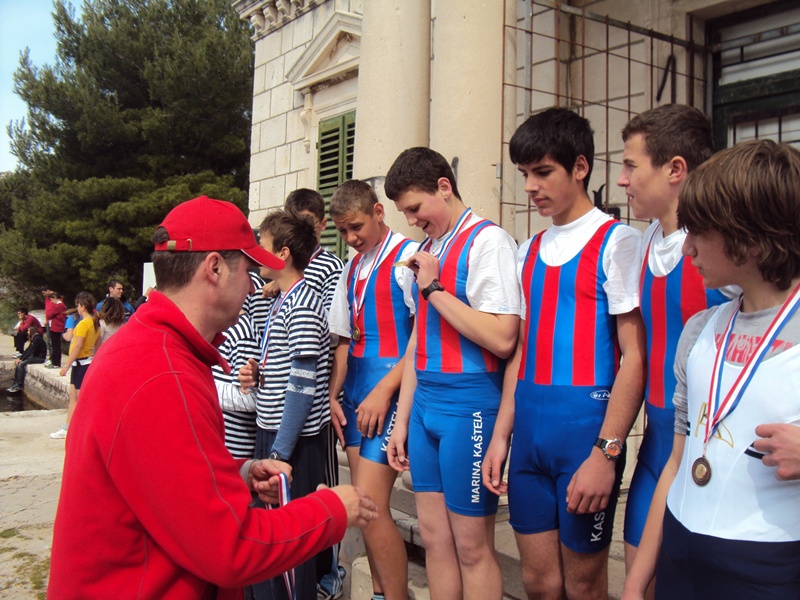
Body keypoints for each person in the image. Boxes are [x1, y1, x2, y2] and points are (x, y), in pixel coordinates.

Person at [49, 195, 377, 599]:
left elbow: (164, 482)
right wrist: (332, 510)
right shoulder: (162, 373)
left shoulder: (151, 347)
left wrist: (239, 474)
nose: (254, 284)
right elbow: (230, 548)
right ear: (215, 268)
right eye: (249, 270)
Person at [622, 140, 800, 599]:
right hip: (680, 558)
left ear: (752, 239)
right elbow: (678, 463)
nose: (687, 250)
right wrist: (636, 584)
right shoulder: (700, 329)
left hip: (770, 568)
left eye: (699, 232)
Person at [482, 107, 646, 599]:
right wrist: (501, 436)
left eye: (542, 172)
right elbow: (521, 352)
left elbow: (635, 357)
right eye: (524, 174)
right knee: (539, 583)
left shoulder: (618, 241)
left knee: (583, 584)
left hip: (584, 438)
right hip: (530, 438)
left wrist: (607, 452)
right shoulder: (527, 249)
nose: (530, 187)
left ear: (580, 167)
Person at [384, 147, 521, 600]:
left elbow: (503, 337)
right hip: (425, 405)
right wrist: (401, 421)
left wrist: (435, 289)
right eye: (405, 213)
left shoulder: (488, 241)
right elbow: (417, 341)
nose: (411, 221)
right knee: (434, 538)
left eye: (415, 208)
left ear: (444, 187)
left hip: (470, 407)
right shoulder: (425, 250)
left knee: (471, 546)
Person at [615, 104, 731, 581]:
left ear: (675, 169)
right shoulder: (644, 242)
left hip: (714, 452)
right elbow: (637, 354)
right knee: (636, 581)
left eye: (630, 165)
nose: (621, 180)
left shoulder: (725, 247)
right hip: (658, 447)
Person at [238, 209, 334, 600]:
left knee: (290, 544)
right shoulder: (282, 301)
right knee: (271, 534)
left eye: (261, 245)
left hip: (293, 441)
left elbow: (302, 385)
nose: (255, 254)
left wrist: (279, 450)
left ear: (283, 253)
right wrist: (259, 372)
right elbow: (286, 367)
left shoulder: (303, 305)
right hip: (274, 432)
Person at [327, 180, 416, 600]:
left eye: (356, 227)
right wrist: (334, 395)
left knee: (371, 503)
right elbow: (345, 339)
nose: (350, 238)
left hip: (390, 390)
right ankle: (380, 592)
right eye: (343, 230)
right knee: (363, 511)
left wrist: (385, 390)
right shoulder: (351, 267)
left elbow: (423, 338)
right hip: (355, 392)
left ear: (378, 212)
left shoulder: (409, 258)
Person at [50, 292, 101, 439]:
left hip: (81, 363)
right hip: (85, 362)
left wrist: (66, 365)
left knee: (80, 397)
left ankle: (81, 428)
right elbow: (98, 345)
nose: (77, 308)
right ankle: (68, 426)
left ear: (83, 307)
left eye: (78, 305)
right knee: (73, 396)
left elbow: (78, 345)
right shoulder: (95, 323)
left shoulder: (84, 324)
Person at [7, 326, 47, 393]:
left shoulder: (37, 339)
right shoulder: (34, 338)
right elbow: (28, 349)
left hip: (40, 358)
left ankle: (19, 384)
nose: (27, 332)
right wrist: (20, 358)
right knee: (19, 363)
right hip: (35, 356)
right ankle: (15, 383)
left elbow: (31, 350)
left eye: (28, 331)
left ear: (32, 331)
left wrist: (22, 360)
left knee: (21, 364)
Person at [44, 291, 67, 368]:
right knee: (56, 345)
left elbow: (49, 315)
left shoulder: (58, 306)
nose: (51, 302)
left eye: (52, 300)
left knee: (55, 346)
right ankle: (54, 361)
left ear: (55, 298)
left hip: (56, 327)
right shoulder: (63, 305)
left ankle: (56, 363)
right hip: (59, 327)